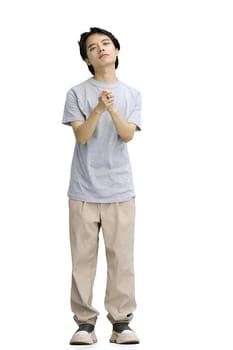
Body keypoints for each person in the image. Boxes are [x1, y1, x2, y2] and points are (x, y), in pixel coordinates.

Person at [62, 27, 142, 345]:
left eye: (106, 43)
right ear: (87, 58)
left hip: (120, 189)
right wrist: (97, 108)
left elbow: (127, 134)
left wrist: (111, 108)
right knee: (83, 259)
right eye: (93, 47)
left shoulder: (132, 94)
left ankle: (121, 323)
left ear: (117, 51)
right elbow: (81, 137)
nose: (101, 49)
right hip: (83, 189)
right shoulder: (76, 93)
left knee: (122, 258)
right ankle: (84, 324)